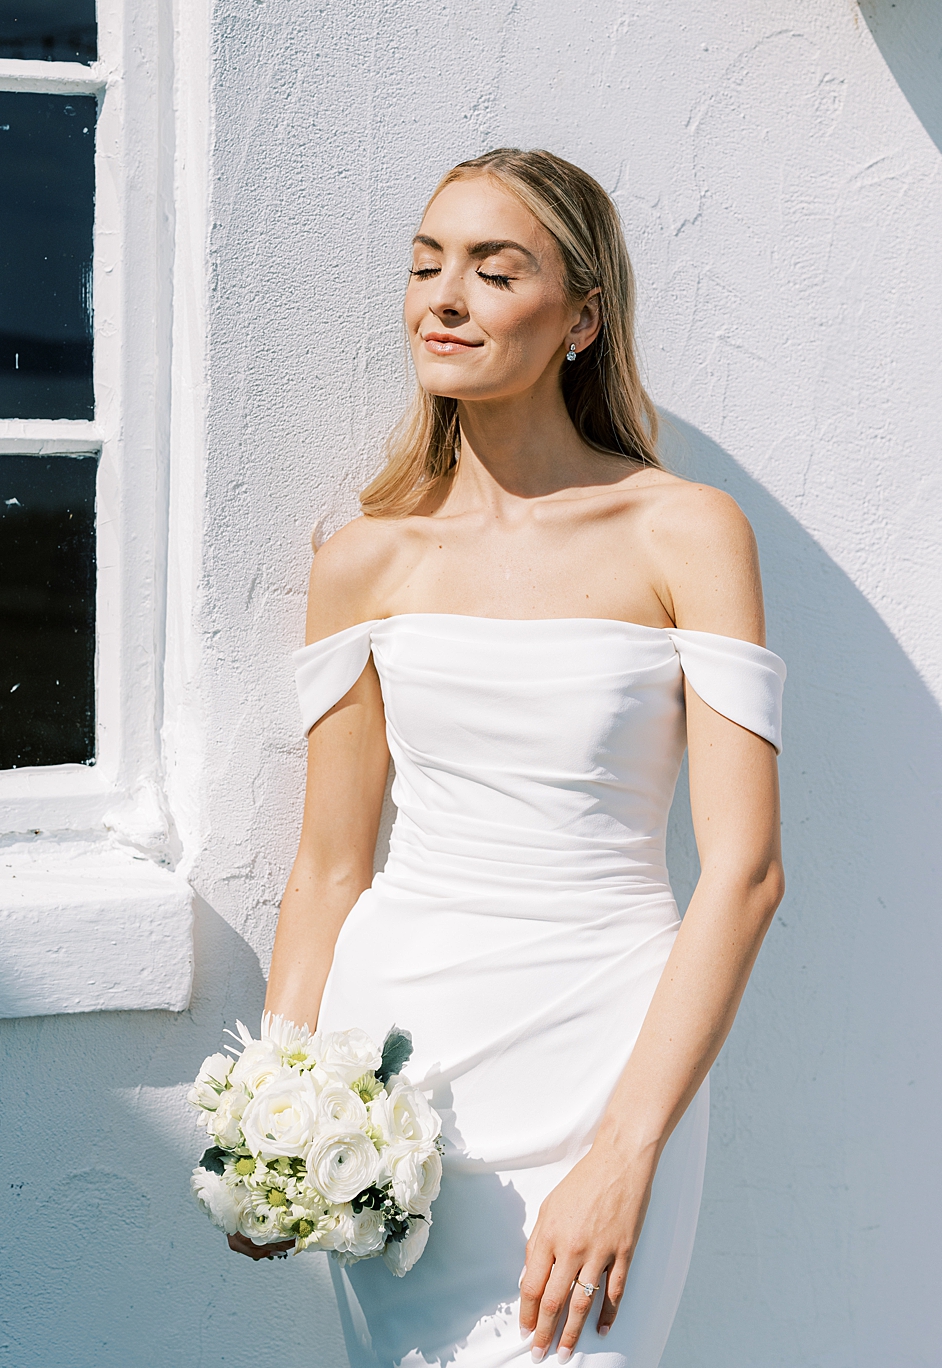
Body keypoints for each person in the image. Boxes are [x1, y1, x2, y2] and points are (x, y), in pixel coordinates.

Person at [241, 149, 785, 1368]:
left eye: (494, 271)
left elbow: (744, 872)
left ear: (580, 318)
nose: (444, 297)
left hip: (604, 1049)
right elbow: (329, 866)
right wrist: (274, 1114)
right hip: (399, 1065)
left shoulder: (684, 531)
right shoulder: (363, 558)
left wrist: (624, 1146)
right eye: (426, 265)